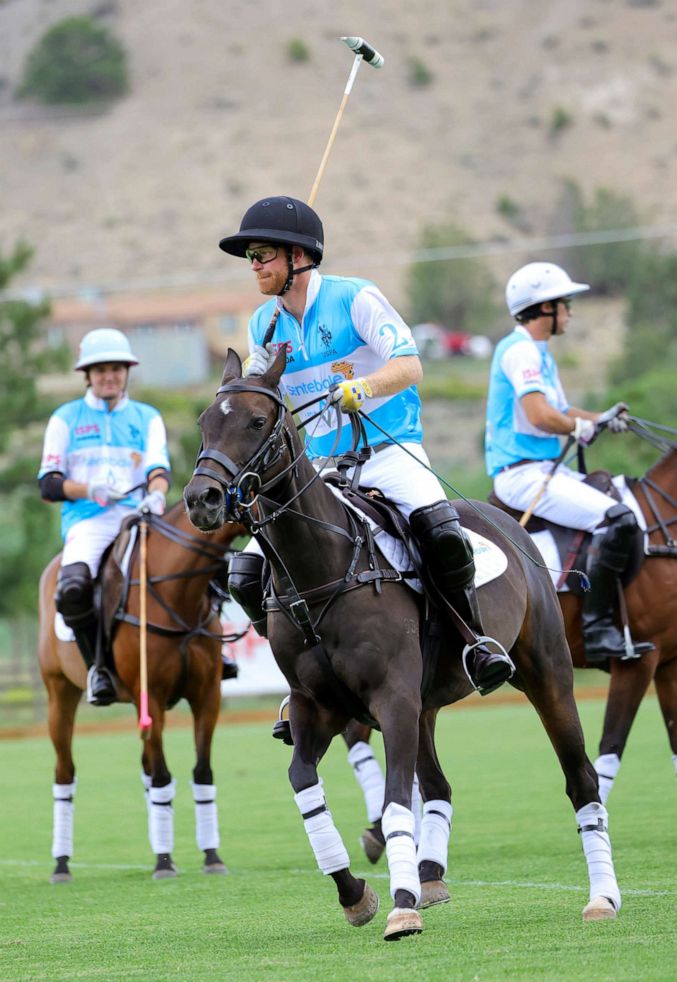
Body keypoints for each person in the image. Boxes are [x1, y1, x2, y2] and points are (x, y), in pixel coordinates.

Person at [218, 194, 515, 698]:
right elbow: (257, 395)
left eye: (263, 254)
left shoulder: (355, 298)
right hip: (321, 466)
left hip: (389, 451)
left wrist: (367, 386)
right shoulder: (262, 325)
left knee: (441, 532)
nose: (255, 266)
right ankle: (303, 677)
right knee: (245, 573)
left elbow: (410, 363)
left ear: (299, 257)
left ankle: (475, 642)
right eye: (251, 257)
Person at [486, 261, 653, 662]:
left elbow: (562, 409)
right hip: (523, 475)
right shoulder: (521, 350)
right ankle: (598, 633)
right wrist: (578, 427)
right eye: (565, 303)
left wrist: (601, 419)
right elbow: (542, 414)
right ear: (545, 308)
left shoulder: (538, 354)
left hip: (543, 469)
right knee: (618, 518)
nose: (570, 311)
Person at [38, 328, 171, 704]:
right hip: (88, 521)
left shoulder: (147, 417)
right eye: (100, 370)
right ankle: (97, 667)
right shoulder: (65, 418)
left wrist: (157, 498)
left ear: (127, 371)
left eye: (116, 368)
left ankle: (211, 650)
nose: (109, 376)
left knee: (196, 563)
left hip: (138, 517)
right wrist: (88, 489)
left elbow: (159, 471)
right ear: (87, 374)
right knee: (73, 587)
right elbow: (48, 484)